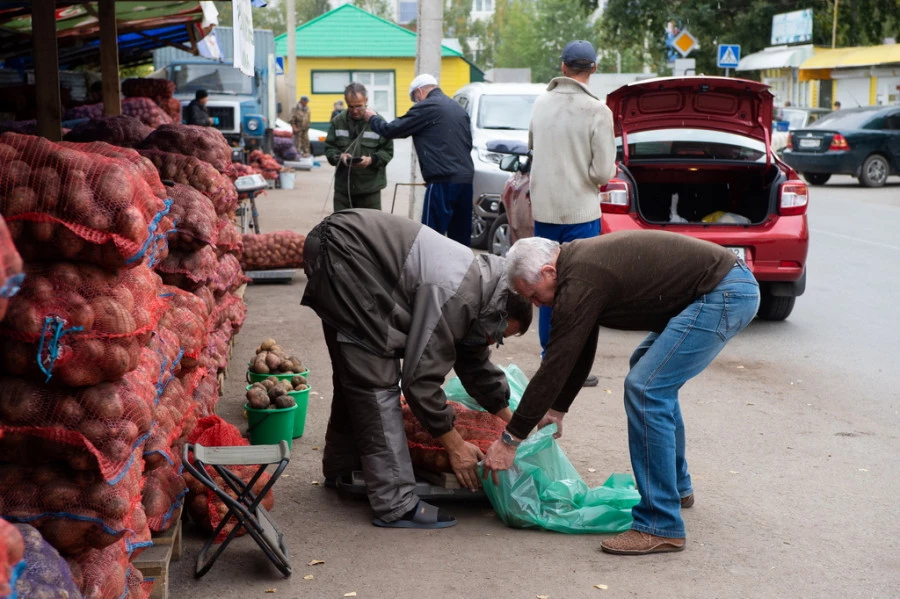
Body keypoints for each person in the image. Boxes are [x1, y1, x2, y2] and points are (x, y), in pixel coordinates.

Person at [482, 232, 760, 555]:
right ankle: (676, 487)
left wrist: (510, 440)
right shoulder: (575, 269)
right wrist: (557, 408)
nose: (535, 304)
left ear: (547, 272)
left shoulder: (580, 277)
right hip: (722, 287)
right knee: (648, 372)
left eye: (533, 294)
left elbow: (555, 364)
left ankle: (660, 523)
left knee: (646, 388)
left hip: (724, 292)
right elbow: (578, 347)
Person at [302, 210, 532, 529]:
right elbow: (420, 381)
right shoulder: (461, 295)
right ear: (498, 316)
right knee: (375, 381)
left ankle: (343, 468)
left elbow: (473, 360)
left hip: (344, 248)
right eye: (498, 336)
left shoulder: (484, 293)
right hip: (347, 253)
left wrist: (514, 428)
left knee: (353, 378)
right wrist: (455, 446)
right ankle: (396, 504)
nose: (492, 341)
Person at [528, 40, 616, 387]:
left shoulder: (540, 103)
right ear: (592, 69)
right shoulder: (598, 111)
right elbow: (603, 174)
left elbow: (532, 145)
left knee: (545, 283)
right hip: (581, 213)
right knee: (582, 288)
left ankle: (550, 359)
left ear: (563, 67)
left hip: (545, 211)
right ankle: (576, 365)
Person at [363, 74, 475, 247]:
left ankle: (430, 273)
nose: (416, 103)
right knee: (460, 238)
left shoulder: (426, 107)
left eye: (415, 99)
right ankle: (464, 273)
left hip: (442, 182)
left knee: (431, 236)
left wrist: (372, 118)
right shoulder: (457, 108)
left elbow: (391, 130)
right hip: (465, 180)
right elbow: (465, 144)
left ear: (419, 92)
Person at [324, 83, 394, 211]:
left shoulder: (378, 123)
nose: (355, 110)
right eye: (351, 107)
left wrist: (371, 160)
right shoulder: (338, 122)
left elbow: (387, 151)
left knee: (370, 229)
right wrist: (340, 157)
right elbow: (329, 148)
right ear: (346, 102)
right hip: (343, 190)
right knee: (341, 229)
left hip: (370, 190)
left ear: (366, 100)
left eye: (359, 106)